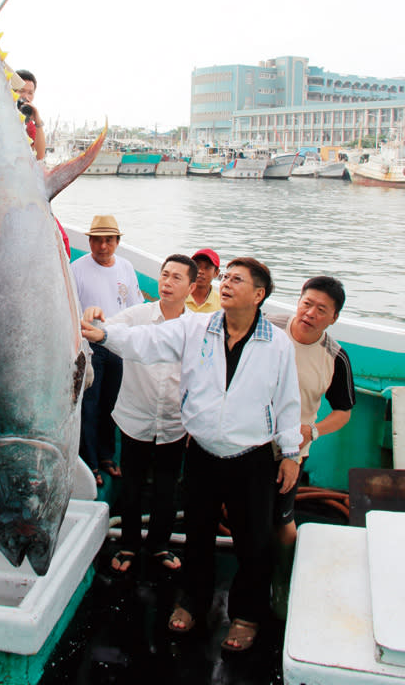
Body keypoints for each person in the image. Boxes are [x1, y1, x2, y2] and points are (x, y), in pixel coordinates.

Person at [82, 256, 301, 652]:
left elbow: (287, 400)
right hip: (201, 451)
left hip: (251, 457)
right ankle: (192, 601)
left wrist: (290, 454)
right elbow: (146, 342)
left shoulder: (277, 344)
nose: (226, 284)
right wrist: (103, 336)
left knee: (253, 542)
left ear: (258, 294)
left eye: (237, 280)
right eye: (226, 278)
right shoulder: (196, 327)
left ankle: (246, 615)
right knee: (197, 535)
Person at [84, 254, 196, 575]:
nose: (167, 282)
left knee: (166, 487)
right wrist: (92, 314)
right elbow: (100, 329)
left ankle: (160, 545)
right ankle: (129, 544)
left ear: (191, 287)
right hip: (135, 417)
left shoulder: (196, 326)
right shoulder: (137, 316)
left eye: (177, 278)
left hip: (175, 422)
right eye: (164, 275)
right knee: (131, 486)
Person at [266, 276, 355, 614]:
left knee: (281, 519)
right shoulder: (267, 327)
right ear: (297, 301)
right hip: (243, 442)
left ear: (333, 318)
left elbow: (344, 412)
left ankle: (283, 581)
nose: (310, 313)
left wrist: (312, 431)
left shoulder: (334, 357)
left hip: (289, 453)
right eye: (306, 303)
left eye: (321, 310)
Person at [72, 214, 143, 487]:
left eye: (108, 240)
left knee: (112, 406)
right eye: (97, 240)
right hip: (89, 346)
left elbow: (135, 305)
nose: (103, 246)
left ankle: (106, 457)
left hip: (117, 344)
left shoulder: (125, 267)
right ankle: (89, 464)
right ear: (89, 241)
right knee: (88, 407)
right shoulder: (77, 269)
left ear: (117, 241)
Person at [15, 69, 46, 161]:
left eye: (30, 93)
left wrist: (37, 120)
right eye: (21, 91)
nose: (26, 97)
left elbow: (39, 156)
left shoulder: (28, 123)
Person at [185, 248, 221, 313]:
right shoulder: (178, 296)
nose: (200, 271)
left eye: (207, 267)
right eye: (197, 266)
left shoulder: (221, 304)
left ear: (216, 273)